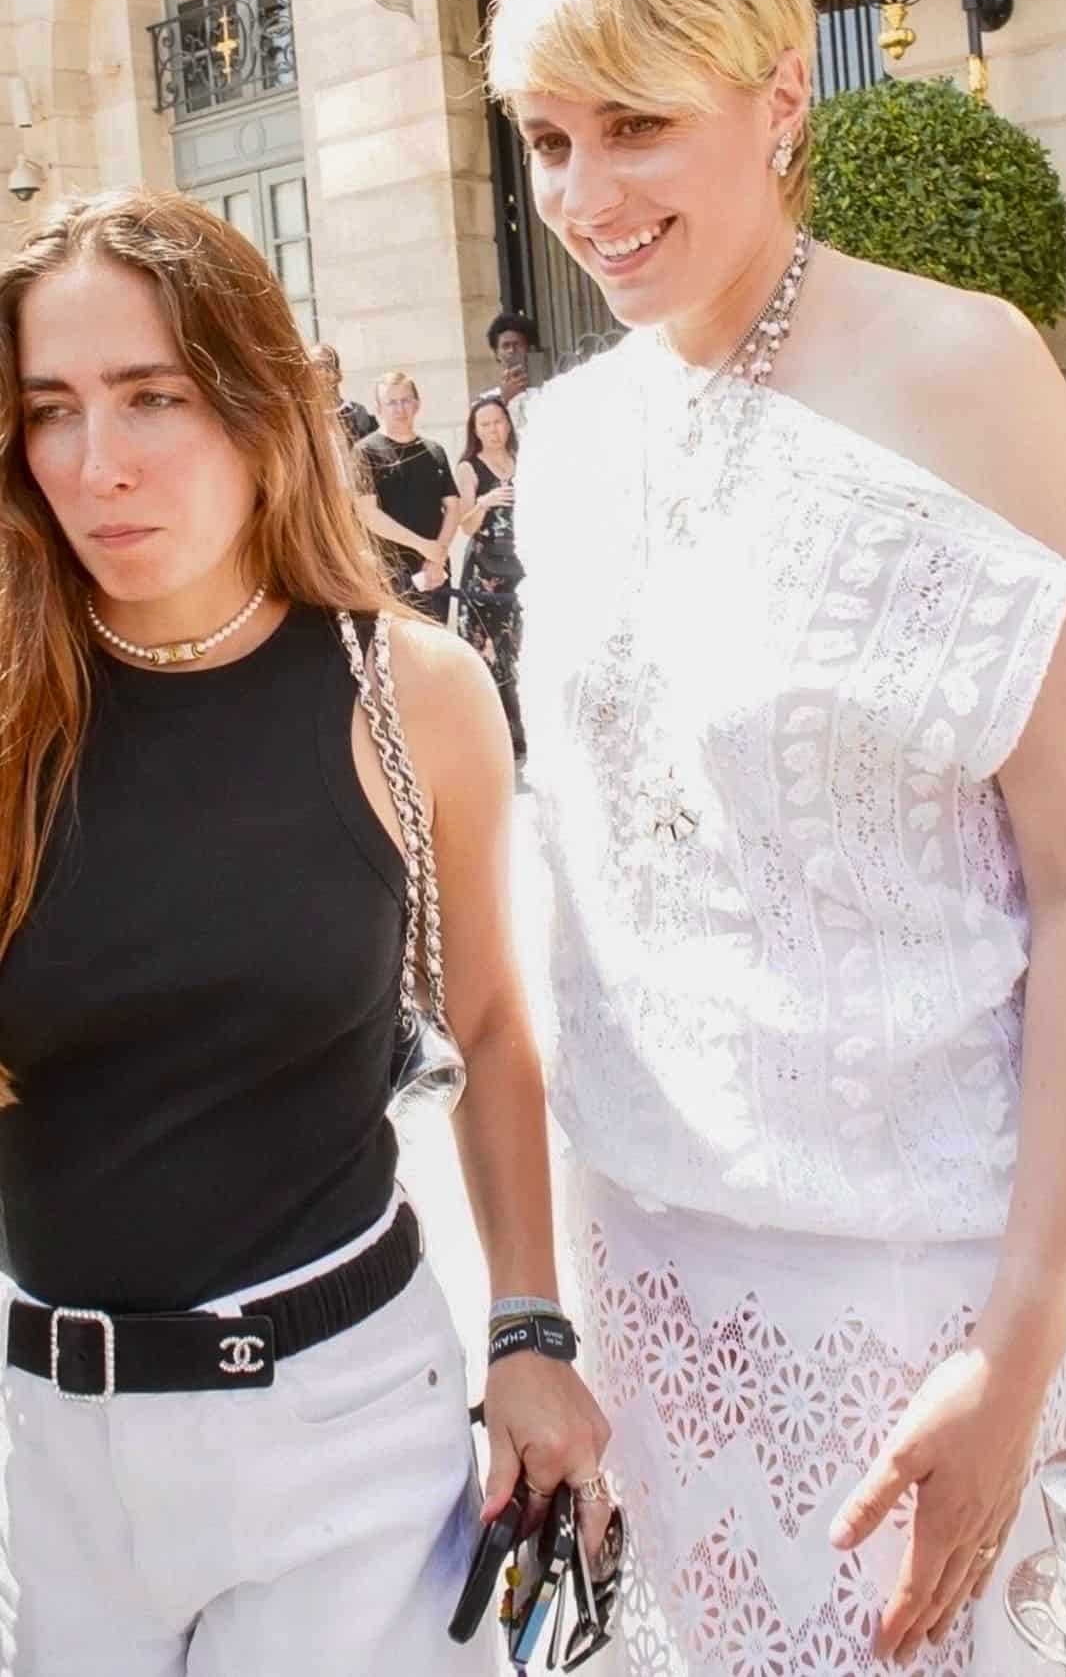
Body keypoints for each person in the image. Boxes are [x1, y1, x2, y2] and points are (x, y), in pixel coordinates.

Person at [486, 0, 1066, 1676]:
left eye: (637, 125)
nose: (586, 197)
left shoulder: (961, 368)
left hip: (926, 1281)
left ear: (781, 99)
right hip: (657, 1278)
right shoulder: (573, 435)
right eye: (546, 138)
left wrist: (1017, 1337)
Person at [0, 189, 609, 1676]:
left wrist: (530, 1329)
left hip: (341, 1437)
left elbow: (489, 1029)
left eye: (155, 397)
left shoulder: (411, 692)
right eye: (51, 409)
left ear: (261, 400)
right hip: (44, 1462)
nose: (102, 464)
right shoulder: (11, 701)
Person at [355, 371, 460, 622]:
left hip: (434, 571)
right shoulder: (365, 451)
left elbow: (453, 508)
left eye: (406, 400)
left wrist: (438, 555)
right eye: (391, 402)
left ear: (417, 403)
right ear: (379, 409)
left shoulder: (434, 451)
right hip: (389, 573)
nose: (400, 408)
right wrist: (423, 546)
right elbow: (368, 514)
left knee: (437, 648)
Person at [457, 395, 526, 760]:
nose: (493, 430)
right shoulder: (469, 467)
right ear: (475, 430)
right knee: (487, 654)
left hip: (522, 565)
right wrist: (486, 501)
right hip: (486, 571)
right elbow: (465, 525)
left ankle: (525, 729)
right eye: (484, 424)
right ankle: (501, 737)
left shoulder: (523, 460)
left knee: (518, 650)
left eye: (498, 422)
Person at [478, 310, 539, 433]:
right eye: (505, 346)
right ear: (496, 354)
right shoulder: (483, 402)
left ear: (530, 349)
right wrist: (504, 401)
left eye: (517, 345)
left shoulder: (546, 392)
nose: (511, 351)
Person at [311, 340, 376, 445]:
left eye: (325, 365)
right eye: (313, 366)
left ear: (338, 374)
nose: (320, 372)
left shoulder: (357, 412)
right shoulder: (303, 417)